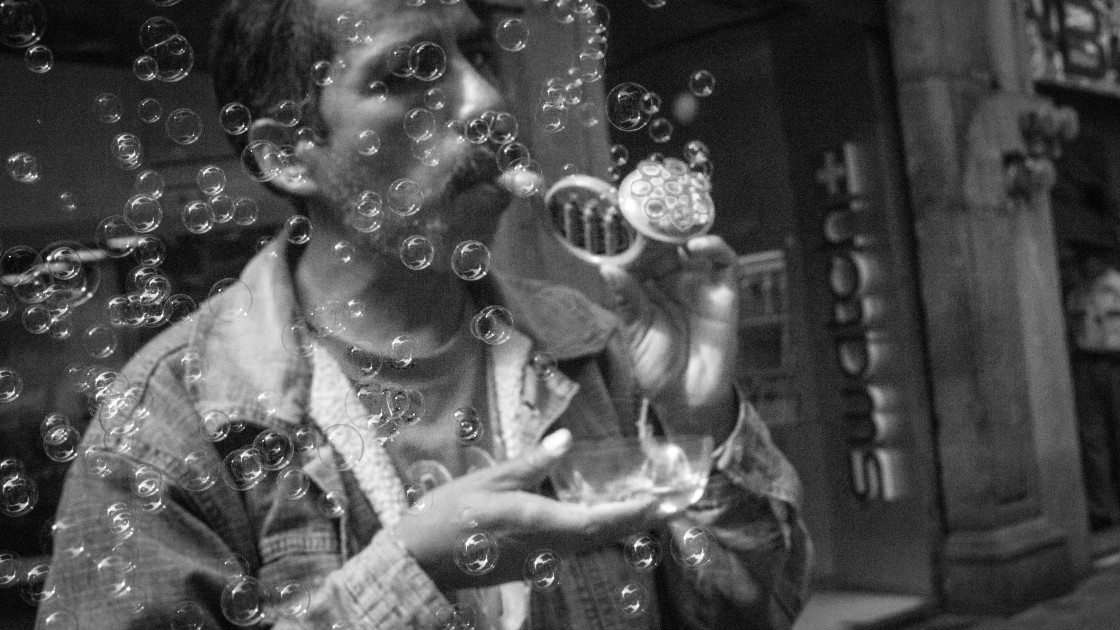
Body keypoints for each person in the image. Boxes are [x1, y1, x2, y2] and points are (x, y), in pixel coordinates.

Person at [36, 0, 809, 628]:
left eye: (480, 57)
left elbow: (752, 614)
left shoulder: (599, 345)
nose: (487, 103)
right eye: (409, 73)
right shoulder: (167, 426)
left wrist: (692, 415)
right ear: (286, 154)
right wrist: (406, 579)